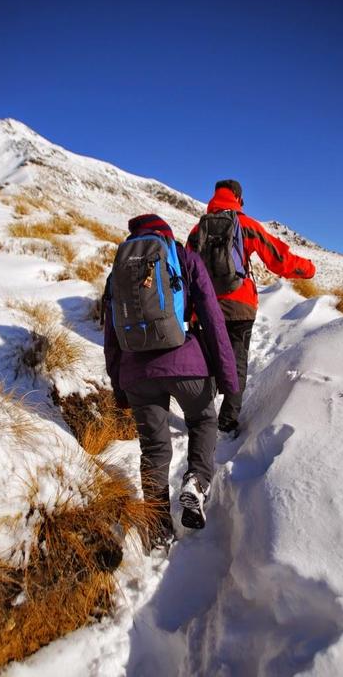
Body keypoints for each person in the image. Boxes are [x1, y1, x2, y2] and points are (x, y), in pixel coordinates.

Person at [103, 214, 238, 549]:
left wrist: (120, 386)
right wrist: (227, 377)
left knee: (154, 448)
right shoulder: (182, 257)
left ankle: (159, 529)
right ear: (165, 232)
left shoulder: (118, 270)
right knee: (203, 420)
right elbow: (213, 319)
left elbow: (111, 334)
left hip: (137, 372)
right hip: (185, 361)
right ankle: (196, 481)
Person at [188, 179, 316, 437]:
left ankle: (202, 418)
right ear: (238, 198)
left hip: (207, 307)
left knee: (208, 362)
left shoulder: (197, 230)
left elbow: (189, 271)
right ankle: (227, 422)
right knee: (236, 363)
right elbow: (278, 259)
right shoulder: (245, 225)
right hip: (240, 306)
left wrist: (192, 311)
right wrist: (308, 269)